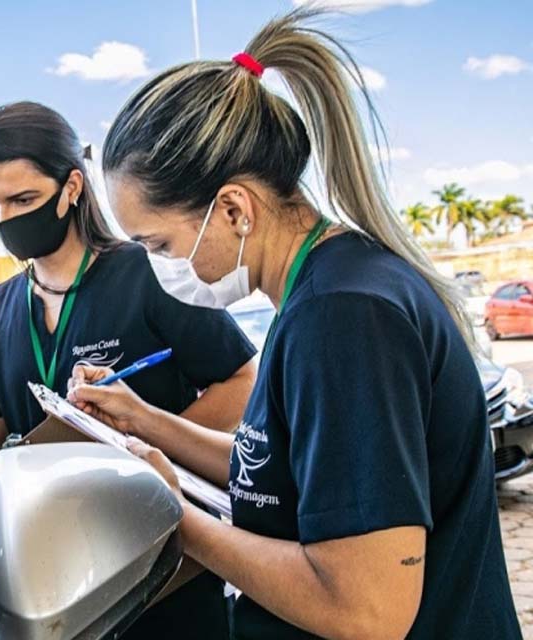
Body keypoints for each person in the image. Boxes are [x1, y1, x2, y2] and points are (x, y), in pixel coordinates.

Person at [67, 9, 521, 640]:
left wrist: (174, 515)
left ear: (232, 209)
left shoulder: (343, 318)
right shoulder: (323, 290)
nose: (157, 267)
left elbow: (365, 611)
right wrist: (143, 421)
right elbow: (278, 474)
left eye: (160, 245)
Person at [0, 101, 256, 638]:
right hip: (57, 585)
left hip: (162, 575)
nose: (5, 219)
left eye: (23, 199)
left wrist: (149, 443)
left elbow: (243, 381)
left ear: (71, 189)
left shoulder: (148, 274)